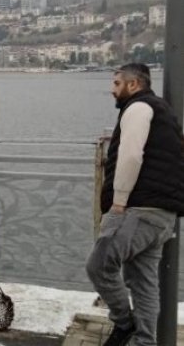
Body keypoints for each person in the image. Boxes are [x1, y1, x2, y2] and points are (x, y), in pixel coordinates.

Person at [86, 63, 184, 346]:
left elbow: (130, 156)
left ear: (133, 85)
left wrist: (118, 202)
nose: (112, 89)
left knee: (99, 265)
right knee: (143, 283)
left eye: (117, 83)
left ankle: (125, 324)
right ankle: (144, 342)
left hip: (138, 209)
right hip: (163, 215)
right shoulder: (162, 112)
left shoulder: (139, 108)